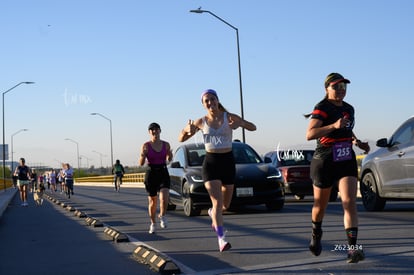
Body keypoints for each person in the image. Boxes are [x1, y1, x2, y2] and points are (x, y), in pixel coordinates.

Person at [178, 89, 257, 252]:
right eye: (206, 101)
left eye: (212, 99)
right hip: (211, 163)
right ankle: (221, 239)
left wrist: (241, 123)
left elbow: (253, 127)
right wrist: (187, 130)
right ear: (203, 104)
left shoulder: (229, 117)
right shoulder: (201, 122)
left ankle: (213, 214)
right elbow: (181, 138)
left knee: (225, 205)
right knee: (217, 202)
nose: (210, 102)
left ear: (217, 100)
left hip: (228, 162)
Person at [305, 73, 370, 263]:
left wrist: (357, 142)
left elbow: (347, 129)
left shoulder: (349, 109)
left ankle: (352, 250)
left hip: (345, 158)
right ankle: (316, 233)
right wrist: (333, 125)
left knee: (349, 202)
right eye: (336, 87)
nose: (341, 90)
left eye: (344, 87)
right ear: (327, 89)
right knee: (320, 206)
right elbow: (310, 134)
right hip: (325, 159)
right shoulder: (322, 108)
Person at [138, 122, 173, 234]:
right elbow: (141, 163)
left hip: (163, 171)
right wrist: (143, 155)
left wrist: (170, 155)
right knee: (153, 202)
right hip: (151, 173)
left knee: (164, 198)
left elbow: (169, 159)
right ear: (149, 132)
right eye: (152, 130)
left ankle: (162, 216)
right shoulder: (145, 146)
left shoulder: (166, 144)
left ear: (159, 131)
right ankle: (153, 223)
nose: (155, 132)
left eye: (156, 130)